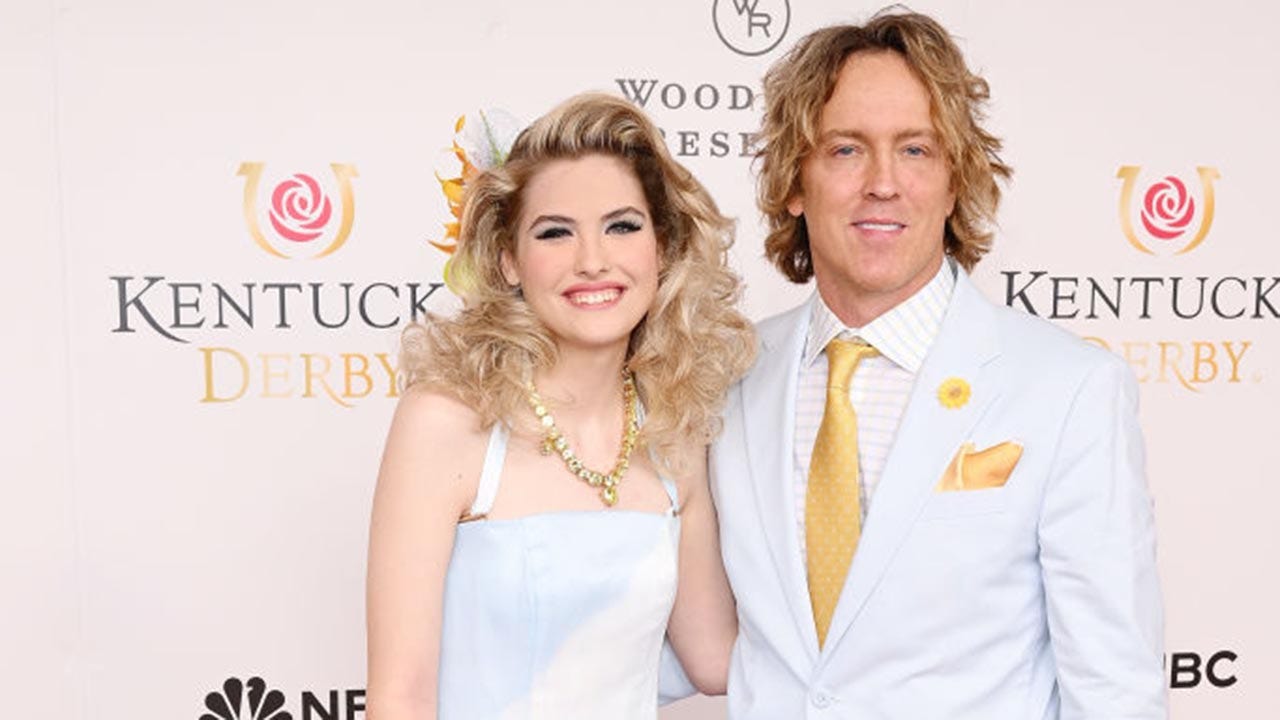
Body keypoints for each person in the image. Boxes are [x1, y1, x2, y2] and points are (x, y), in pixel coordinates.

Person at [667, 9, 1167, 719]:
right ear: (794, 181)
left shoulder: (1069, 389)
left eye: (916, 150)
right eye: (846, 149)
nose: (883, 183)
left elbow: (1115, 689)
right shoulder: (725, 375)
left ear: (955, 180)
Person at [366, 93, 754, 719]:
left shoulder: (673, 432)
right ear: (508, 260)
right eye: (555, 233)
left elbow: (716, 659)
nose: (593, 260)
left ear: (662, 247)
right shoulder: (446, 421)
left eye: (622, 226)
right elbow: (400, 698)